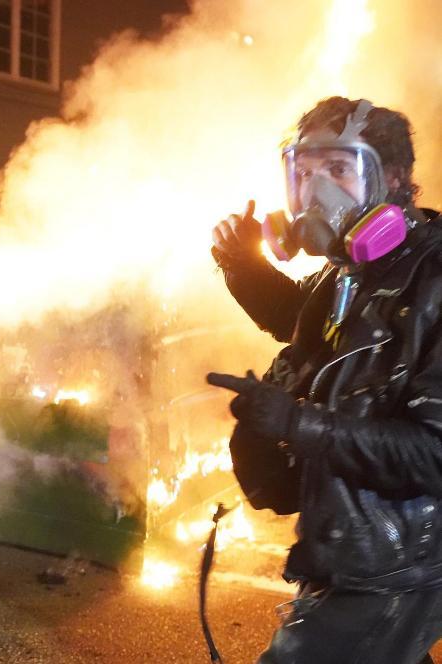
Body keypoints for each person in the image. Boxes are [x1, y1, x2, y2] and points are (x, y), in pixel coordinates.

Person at [209, 97, 442, 664]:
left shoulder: (433, 276)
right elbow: (321, 329)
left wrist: (298, 423)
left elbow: (435, 451)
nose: (316, 193)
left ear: (391, 178)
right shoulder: (352, 270)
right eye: (304, 172)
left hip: (396, 563)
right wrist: (244, 267)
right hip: (354, 544)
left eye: (338, 169)